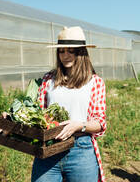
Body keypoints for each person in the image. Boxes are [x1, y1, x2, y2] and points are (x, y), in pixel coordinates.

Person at [31, 26, 106, 182]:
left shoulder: (95, 82)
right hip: (49, 148)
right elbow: (38, 114)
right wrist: (11, 120)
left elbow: (100, 123)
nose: (65, 55)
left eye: (71, 51)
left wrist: (79, 125)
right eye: (61, 51)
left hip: (80, 148)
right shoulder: (48, 79)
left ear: (81, 53)